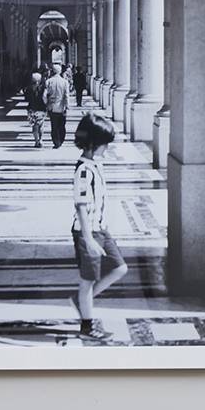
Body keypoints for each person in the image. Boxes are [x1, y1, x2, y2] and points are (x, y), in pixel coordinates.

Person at [71, 115, 128, 338]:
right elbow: (81, 207)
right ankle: (87, 326)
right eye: (105, 143)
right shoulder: (83, 171)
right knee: (88, 281)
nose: (108, 147)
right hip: (88, 232)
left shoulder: (95, 164)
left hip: (101, 229)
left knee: (120, 268)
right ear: (94, 143)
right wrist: (89, 239)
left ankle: (82, 301)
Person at [44, 60, 74, 148]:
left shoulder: (48, 81)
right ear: (60, 71)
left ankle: (56, 142)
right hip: (62, 107)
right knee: (62, 124)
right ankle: (61, 139)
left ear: (52, 71)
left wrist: (46, 104)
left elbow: (44, 95)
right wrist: (67, 105)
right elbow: (66, 95)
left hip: (52, 106)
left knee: (54, 125)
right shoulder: (65, 82)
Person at [25, 68, 48, 148]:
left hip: (31, 109)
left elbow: (26, 98)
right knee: (41, 125)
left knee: (34, 126)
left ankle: (36, 141)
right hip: (41, 108)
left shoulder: (29, 88)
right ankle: (41, 140)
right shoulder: (43, 88)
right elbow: (45, 98)